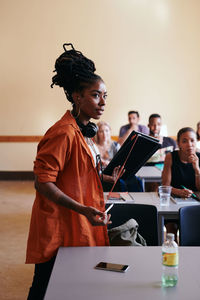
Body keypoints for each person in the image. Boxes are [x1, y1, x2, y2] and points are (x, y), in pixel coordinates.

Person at [26, 43, 118, 299]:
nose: (103, 102)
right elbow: (42, 182)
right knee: (45, 286)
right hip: (59, 225)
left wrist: (109, 177)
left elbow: (77, 173)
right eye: (95, 95)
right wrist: (81, 209)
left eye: (105, 96)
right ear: (77, 97)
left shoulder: (84, 131)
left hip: (78, 221)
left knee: (71, 286)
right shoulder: (63, 132)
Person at [162, 127, 200, 239]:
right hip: (174, 202)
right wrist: (178, 191)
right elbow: (165, 186)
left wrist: (197, 169)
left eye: (192, 140)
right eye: (184, 141)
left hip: (195, 203)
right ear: (178, 144)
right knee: (171, 228)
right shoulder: (171, 157)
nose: (189, 144)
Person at [95, 121, 143, 192]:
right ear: (97, 134)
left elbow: (121, 160)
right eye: (101, 131)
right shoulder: (93, 146)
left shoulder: (115, 145)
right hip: (100, 175)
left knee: (136, 180)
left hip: (115, 172)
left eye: (107, 131)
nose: (105, 134)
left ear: (110, 132)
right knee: (120, 184)